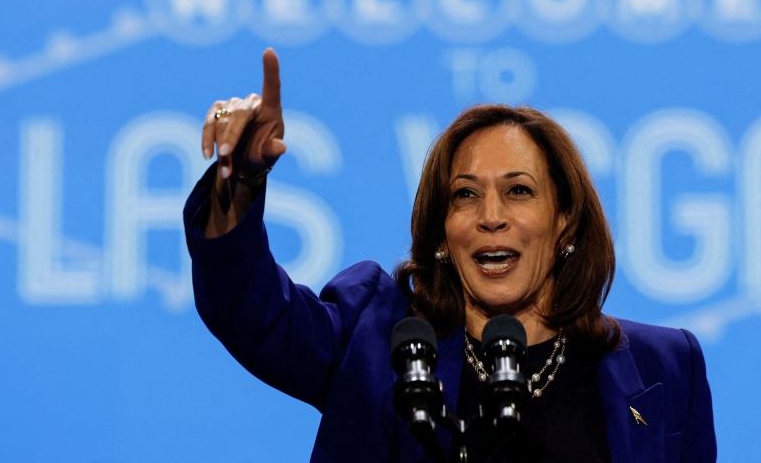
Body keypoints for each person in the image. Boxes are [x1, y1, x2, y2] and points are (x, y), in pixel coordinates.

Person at [185, 48, 716, 462]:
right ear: (441, 234)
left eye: (519, 191)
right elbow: (248, 308)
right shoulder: (376, 342)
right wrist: (242, 180)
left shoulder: (667, 367)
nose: (491, 216)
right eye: (465, 195)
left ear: (565, 224)